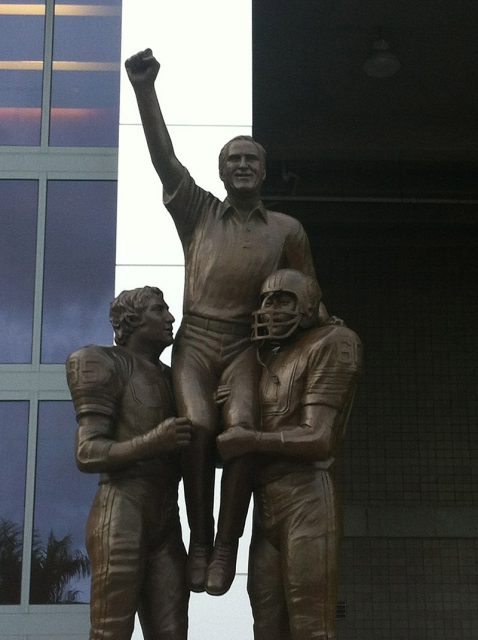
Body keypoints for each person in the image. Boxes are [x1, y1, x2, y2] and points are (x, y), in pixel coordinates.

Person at [125, 48, 320, 595]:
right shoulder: (199, 212)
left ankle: (228, 544)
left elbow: (308, 296)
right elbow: (164, 159)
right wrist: (145, 90)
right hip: (197, 340)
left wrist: (328, 331)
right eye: (233, 159)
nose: (241, 166)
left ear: (264, 170)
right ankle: (201, 538)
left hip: (245, 347)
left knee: (238, 434)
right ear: (220, 170)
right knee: (198, 428)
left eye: (251, 160)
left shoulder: (286, 230)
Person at [217, 269, 362, 640]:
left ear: (308, 305)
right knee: (266, 626)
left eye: (282, 299)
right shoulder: (263, 358)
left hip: (307, 497)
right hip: (266, 504)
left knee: (310, 624)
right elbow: (237, 442)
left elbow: (319, 437)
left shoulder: (333, 341)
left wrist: (248, 439)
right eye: (265, 300)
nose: (270, 308)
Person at [66, 286, 192, 640]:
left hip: (166, 515)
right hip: (121, 507)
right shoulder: (100, 361)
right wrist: (153, 441)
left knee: (172, 631)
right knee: (110, 629)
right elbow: (87, 452)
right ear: (132, 321)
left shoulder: (175, 378)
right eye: (159, 310)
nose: (170, 318)